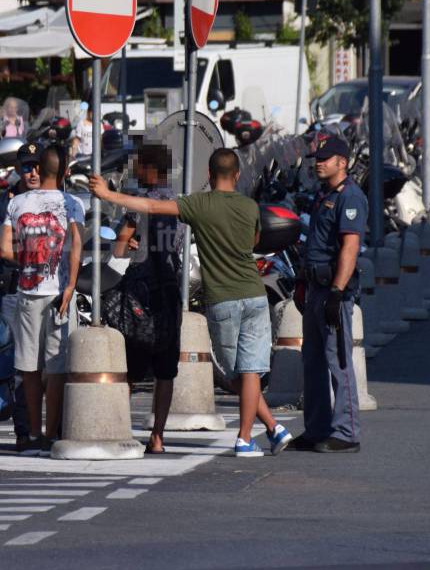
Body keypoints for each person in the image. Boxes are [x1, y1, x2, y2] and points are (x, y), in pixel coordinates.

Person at [90, 148, 293, 458]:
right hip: (254, 295)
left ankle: (251, 434)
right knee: (251, 371)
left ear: (209, 176)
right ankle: (266, 430)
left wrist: (107, 194)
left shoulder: (198, 204)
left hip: (223, 298)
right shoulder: (250, 206)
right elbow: (254, 242)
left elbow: (149, 206)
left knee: (234, 373)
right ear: (237, 175)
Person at [0, 145, 84, 457]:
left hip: (27, 291)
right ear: (64, 172)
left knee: (30, 368)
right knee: (58, 367)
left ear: (42, 170)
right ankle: (52, 433)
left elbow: (6, 250)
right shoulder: (72, 202)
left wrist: (30, 259)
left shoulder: (16, 203)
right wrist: (71, 284)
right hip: (59, 292)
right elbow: (77, 244)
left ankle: (33, 432)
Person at [289, 134, 366, 453]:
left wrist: (336, 293)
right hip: (316, 287)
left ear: (342, 162)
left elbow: (349, 247)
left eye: (325, 158)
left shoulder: (350, 197)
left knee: (338, 361)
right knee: (313, 361)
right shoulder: (323, 194)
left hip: (334, 289)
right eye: (317, 158)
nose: (319, 163)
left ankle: (346, 433)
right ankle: (317, 428)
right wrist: (303, 282)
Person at [110, 142, 183, 454]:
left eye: (140, 164)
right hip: (171, 291)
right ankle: (158, 436)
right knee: (166, 369)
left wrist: (130, 243)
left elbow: (119, 248)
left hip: (140, 294)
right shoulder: (180, 204)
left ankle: (120, 429)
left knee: (132, 365)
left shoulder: (137, 204)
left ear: (151, 169)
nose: (136, 169)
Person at [0, 142, 41, 452]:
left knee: (49, 363)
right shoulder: (2, 203)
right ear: (17, 169)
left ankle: (50, 429)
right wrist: (26, 249)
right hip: (14, 289)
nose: (32, 172)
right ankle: (24, 430)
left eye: (37, 166)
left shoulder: (52, 200)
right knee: (20, 365)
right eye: (26, 166)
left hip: (46, 288)